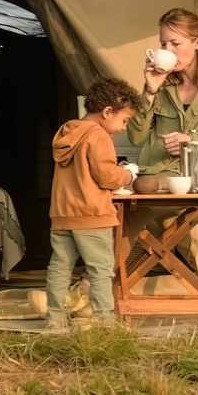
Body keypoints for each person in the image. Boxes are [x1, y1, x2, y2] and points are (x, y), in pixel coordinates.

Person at [122, 7, 198, 265]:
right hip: (155, 174)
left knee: (133, 202)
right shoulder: (160, 83)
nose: (168, 50)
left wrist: (194, 143)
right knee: (121, 207)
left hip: (197, 179)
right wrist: (150, 89)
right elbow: (135, 136)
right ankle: (98, 284)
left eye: (176, 43)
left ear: (197, 43)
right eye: (163, 43)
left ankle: (94, 285)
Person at [44, 77, 139, 331]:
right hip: (92, 215)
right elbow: (106, 176)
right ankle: (105, 322)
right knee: (100, 270)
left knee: (60, 267)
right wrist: (128, 174)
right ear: (108, 112)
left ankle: (55, 319)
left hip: (63, 214)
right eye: (124, 120)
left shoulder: (68, 131)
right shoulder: (98, 136)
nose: (122, 127)